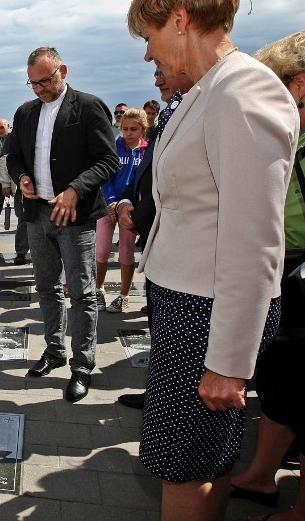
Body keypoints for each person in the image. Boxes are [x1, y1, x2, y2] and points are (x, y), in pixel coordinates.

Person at [126, 0, 299, 518]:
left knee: (185, 469)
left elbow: (255, 240)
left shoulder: (242, 90)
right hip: (192, 300)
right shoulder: (209, 90)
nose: (148, 53)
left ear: (179, 20)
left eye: (149, 36)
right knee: (203, 462)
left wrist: (229, 359)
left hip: (210, 311)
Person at [230, 29, 305, 521]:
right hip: (290, 283)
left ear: (302, 86)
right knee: (282, 384)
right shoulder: (304, 136)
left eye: (277, 84)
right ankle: (262, 475)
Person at [6, 46, 119, 403]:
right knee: (45, 287)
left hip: (74, 216)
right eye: (33, 83)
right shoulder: (25, 113)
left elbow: (108, 159)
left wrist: (75, 190)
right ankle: (54, 350)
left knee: (82, 293)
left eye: (46, 81)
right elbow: (14, 155)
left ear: (63, 71)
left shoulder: (88, 106)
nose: (40, 89)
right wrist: (22, 176)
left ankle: (82, 365)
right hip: (37, 214)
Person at [115, 67, 195, 411]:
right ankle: (160, 393)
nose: (156, 79)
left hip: (182, 240)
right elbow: (149, 172)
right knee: (160, 323)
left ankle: (172, 403)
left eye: (164, 70)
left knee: (179, 333)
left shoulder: (197, 109)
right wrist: (127, 202)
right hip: (153, 231)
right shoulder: (173, 110)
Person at [94, 107, 148, 314]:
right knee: (101, 250)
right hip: (108, 206)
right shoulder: (113, 147)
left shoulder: (148, 150)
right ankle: (98, 289)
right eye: (124, 129)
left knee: (126, 251)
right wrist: (111, 200)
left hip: (131, 210)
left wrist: (135, 206)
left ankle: (124, 295)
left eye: (133, 129)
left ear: (143, 129)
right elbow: (105, 175)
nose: (128, 133)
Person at [0, 121, 31, 265]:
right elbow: (5, 161)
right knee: (23, 220)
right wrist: (5, 184)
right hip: (21, 187)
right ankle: (21, 252)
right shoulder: (14, 137)